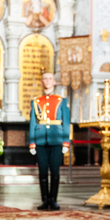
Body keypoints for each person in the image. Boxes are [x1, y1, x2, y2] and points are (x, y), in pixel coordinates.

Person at [29, 71, 70, 210]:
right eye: (45, 79)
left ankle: (53, 200)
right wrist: (32, 142)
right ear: (42, 82)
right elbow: (33, 122)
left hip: (57, 139)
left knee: (55, 171)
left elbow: (65, 122)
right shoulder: (36, 101)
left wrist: (66, 141)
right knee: (42, 171)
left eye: (50, 79)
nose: (47, 81)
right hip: (40, 140)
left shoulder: (61, 100)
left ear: (54, 82)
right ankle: (44, 200)